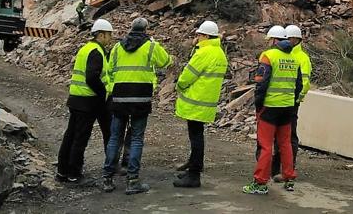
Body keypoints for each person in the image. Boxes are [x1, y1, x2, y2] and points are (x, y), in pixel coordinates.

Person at [101, 18, 171, 195]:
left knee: (115, 137)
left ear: (130, 29)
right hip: (141, 98)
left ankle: (107, 179)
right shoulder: (150, 46)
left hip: (119, 98)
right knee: (137, 139)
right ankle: (132, 181)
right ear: (146, 29)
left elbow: (110, 71)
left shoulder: (117, 47)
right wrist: (155, 43)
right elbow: (165, 61)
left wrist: (112, 90)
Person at [244, 26, 301, 195]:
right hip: (288, 107)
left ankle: (260, 183)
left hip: (269, 108)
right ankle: (289, 178)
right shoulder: (294, 58)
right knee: (285, 143)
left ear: (275, 40)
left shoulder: (269, 56)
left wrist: (258, 104)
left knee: (266, 145)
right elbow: (299, 86)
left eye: (270, 40)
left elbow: (261, 83)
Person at [57, 19, 114, 184]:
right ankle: (74, 173)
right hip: (87, 101)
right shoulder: (96, 51)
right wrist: (102, 93)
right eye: (109, 35)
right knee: (80, 138)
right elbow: (91, 77)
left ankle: (62, 171)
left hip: (76, 98)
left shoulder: (85, 49)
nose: (110, 38)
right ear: (101, 34)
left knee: (70, 136)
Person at [173, 20, 228, 189]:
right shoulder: (219, 53)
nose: (196, 38)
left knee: (196, 137)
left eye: (198, 35)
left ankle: (194, 175)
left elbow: (187, 76)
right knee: (197, 135)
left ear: (205, 36)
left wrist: (179, 86)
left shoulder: (203, 53)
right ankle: (193, 166)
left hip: (195, 102)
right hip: (207, 103)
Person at [271, 24, 311, 181]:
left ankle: (288, 169)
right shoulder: (284, 55)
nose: (285, 41)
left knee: (290, 136)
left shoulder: (302, 58)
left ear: (296, 39)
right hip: (280, 101)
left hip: (291, 103)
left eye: (288, 38)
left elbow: (305, 83)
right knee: (277, 136)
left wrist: (296, 100)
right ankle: (274, 169)